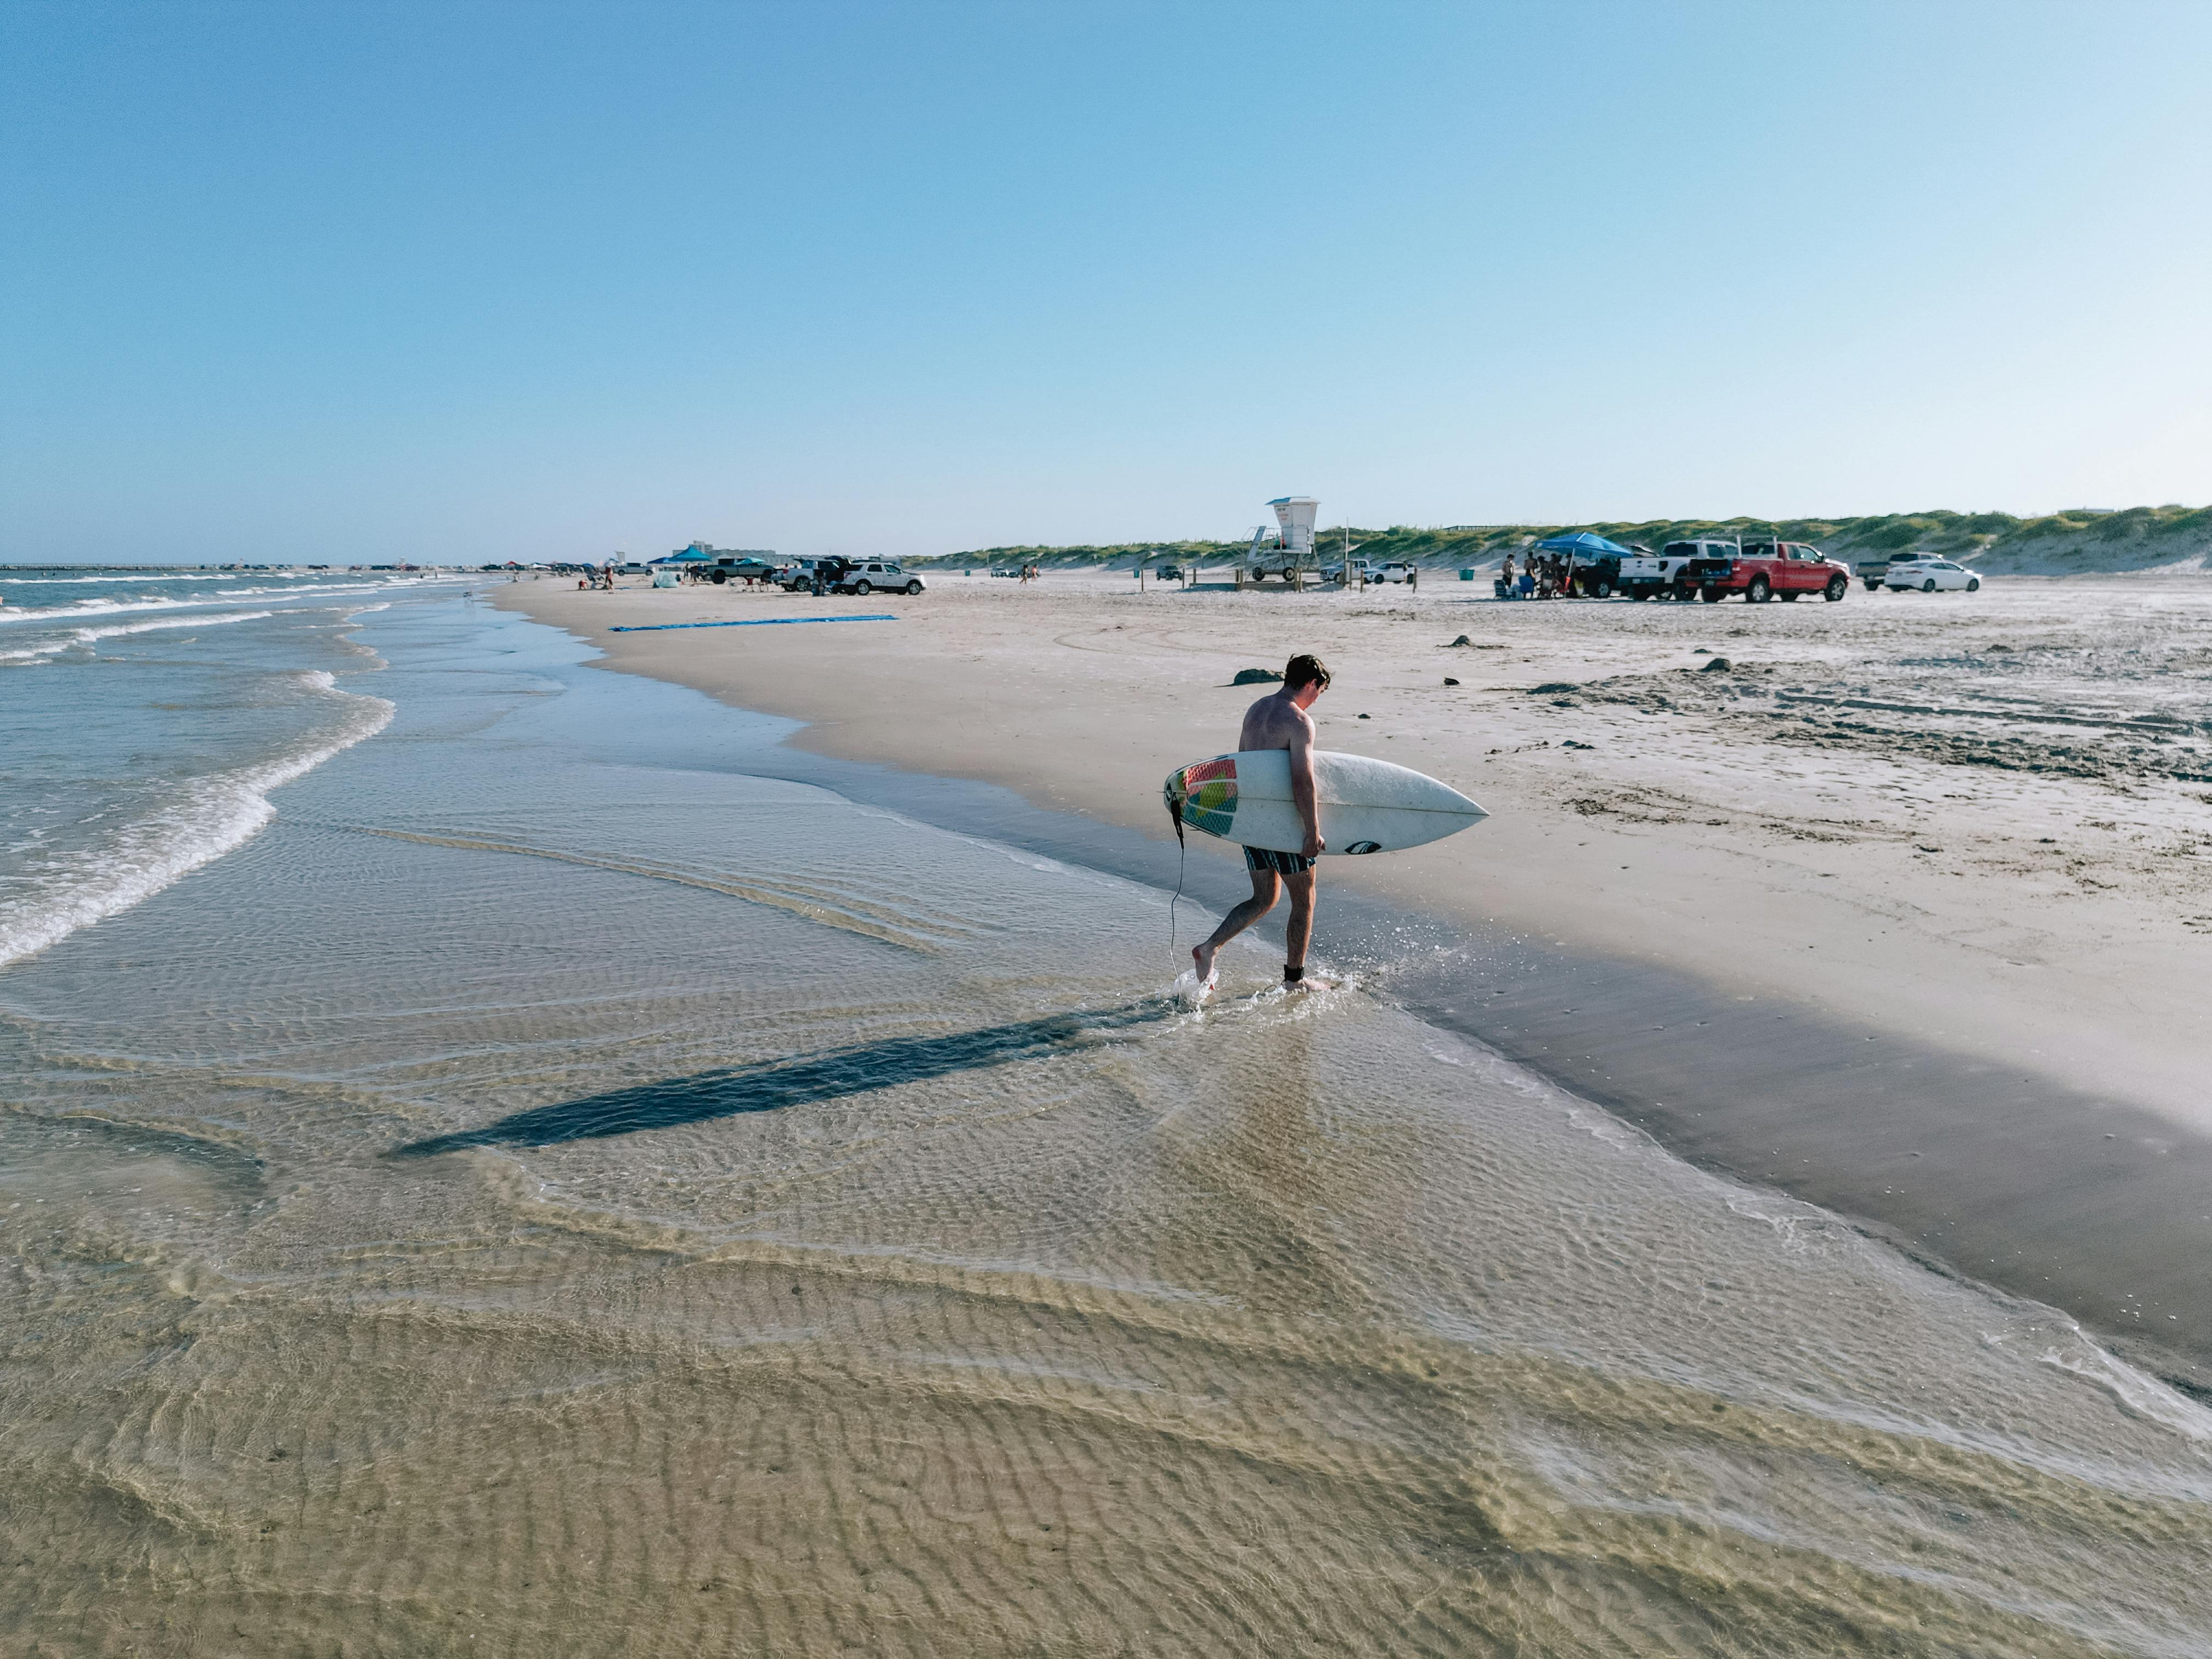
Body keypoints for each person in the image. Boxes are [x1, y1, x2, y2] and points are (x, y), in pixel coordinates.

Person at [1192, 653, 1331, 989]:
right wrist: (1312, 831)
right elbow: (1303, 780)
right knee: (1304, 899)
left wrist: (1240, 821)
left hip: (1252, 820)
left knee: (1265, 897)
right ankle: (1295, 980)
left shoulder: (1256, 709)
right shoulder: (1299, 722)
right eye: (1320, 692)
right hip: (1281, 826)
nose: (1316, 701)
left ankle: (1209, 948)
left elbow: (1241, 765)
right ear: (1312, 684)